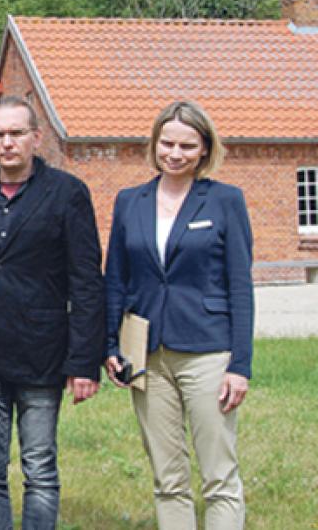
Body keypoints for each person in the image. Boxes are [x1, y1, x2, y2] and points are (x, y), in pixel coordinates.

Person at [0, 96, 106, 530]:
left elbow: (87, 282)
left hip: (42, 354)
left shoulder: (68, 194)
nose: (7, 143)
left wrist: (84, 362)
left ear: (36, 137)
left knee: (41, 471)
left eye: (16, 133)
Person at [104, 100, 252, 529]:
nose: (175, 153)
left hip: (208, 350)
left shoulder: (225, 201)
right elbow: (115, 278)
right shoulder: (130, 201)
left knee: (218, 475)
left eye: (187, 145)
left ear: (204, 149)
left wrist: (239, 365)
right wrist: (110, 345)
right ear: (154, 144)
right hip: (147, 353)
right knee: (167, 477)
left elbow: (240, 286)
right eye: (167, 143)